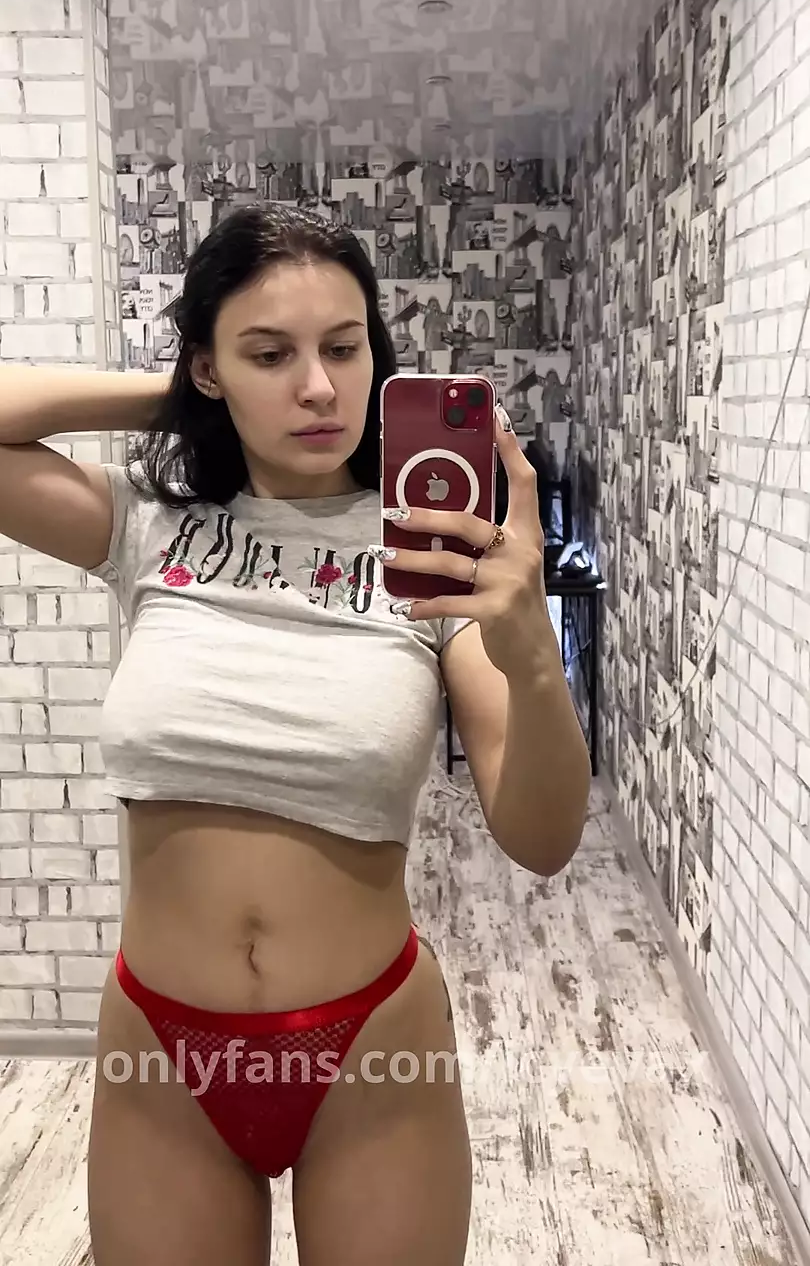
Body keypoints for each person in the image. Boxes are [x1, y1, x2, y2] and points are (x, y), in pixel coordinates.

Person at [0, 204, 591, 1266]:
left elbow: (542, 838)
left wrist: (533, 652)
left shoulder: (433, 555)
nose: (319, 387)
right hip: (161, 1057)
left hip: (373, 1048)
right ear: (209, 367)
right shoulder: (151, 522)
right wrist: (185, 400)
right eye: (270, 354)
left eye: (344, 348)